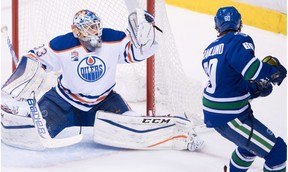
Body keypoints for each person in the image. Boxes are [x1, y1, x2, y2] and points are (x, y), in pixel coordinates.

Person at [1, 9, 204, 151]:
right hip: (62, 102)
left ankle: (179, 135)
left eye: (96, 26)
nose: (95, 32)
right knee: (33, 132)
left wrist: (145, 36)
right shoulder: (62, 43)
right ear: (76, 31)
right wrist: (32, 71)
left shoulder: (112, 38)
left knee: (132, 125)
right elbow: (34, 57)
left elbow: (137, 53)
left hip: (105, 101)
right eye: (89, 28)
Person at [201, 6, 287, 172]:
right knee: (277, 151)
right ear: (239, 23)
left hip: (215, 112)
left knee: (249, 147)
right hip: (232, 116)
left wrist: (254, 89)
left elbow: (227, 82)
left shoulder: (209, 50)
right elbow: (252, 70)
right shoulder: (240, 39)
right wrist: (273, 72)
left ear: (217, 26)